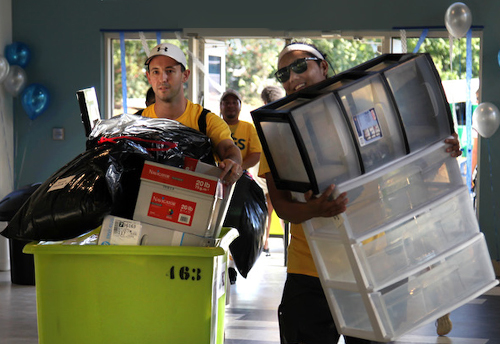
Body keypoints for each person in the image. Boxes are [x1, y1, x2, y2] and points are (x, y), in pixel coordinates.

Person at [258, 42, 463, 344]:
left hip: (374, 266)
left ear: (323, 66)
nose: (292, 77)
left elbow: (409, 160)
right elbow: (283, 207)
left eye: (301, 65)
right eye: (284, 73)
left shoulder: (366, 110)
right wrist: (315, 210)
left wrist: (442, 149)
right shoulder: (277, 132)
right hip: (310, 271)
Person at [141, 43, 242, 185]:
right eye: (155, 72)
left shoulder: (206, 121)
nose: (163, 78)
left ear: (185, 75)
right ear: (149, 77)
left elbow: (228, 148)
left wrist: (233, 162)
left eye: (169, 71)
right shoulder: (137, 122)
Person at [219, 88, 262, 284]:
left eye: (233, 102)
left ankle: (233, 264)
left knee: (236, 224)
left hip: (240, 186)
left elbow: (255, 153)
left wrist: (238, 168)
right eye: (226, 102)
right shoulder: (216, 127)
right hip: (218, 183)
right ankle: (221, 261)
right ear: (221, 106)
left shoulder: (248, 128)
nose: (230, 105)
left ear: (239, 106)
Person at [255, 86, 285, 256]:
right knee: (283, 208)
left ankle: (265, 242)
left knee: (269, 208)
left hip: (267, 169)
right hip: (282, 168)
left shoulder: (262, 118)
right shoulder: (283, 114)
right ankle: (286, 240)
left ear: (264, 101)